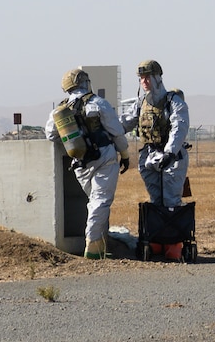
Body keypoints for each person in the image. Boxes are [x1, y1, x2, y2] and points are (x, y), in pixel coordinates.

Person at [53, 68, 129, 260]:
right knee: (100, 202)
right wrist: (125, 154)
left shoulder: (60, 110)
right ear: (85, 82)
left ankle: (101, 244)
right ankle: (93, 246)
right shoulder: (98, 103)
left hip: (81, 164)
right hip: (104, 158)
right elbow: (117, 131)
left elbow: (51, 134)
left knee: (95, 202)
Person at [124, 59, 190, 208]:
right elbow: (124, 123)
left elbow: (179, 126)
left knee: (171, 201)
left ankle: (174, 229)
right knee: (156, 201)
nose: (144, 81)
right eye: (141, 78)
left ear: (157, 77)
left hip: (173, 158)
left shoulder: (173, 101)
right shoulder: (140, 103)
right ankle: (158, 229)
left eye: (148, 77)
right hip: (149, 156)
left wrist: (170, 152)